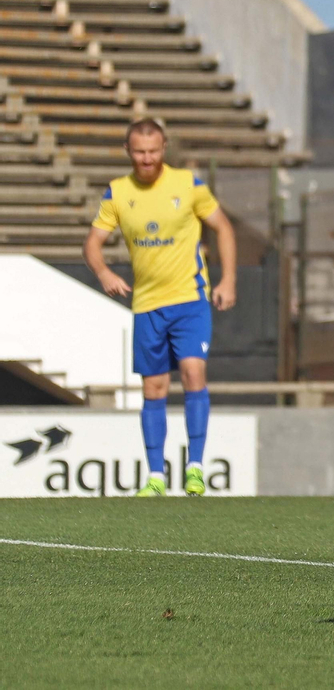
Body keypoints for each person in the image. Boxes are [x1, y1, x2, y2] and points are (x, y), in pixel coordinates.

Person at [83, 118, 237, 498]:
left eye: (153, 151)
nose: (147, 158)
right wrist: (102, 271)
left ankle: (196, 469)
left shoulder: (188, 185)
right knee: (153, 388)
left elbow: (224, 228)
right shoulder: (118, 192)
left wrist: (228, 280)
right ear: (128, 151)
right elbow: (93, 243)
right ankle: (155, 476)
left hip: (190, 300)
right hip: (148, 305)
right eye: (139, 151)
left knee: (192, 372)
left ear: (164, 148)